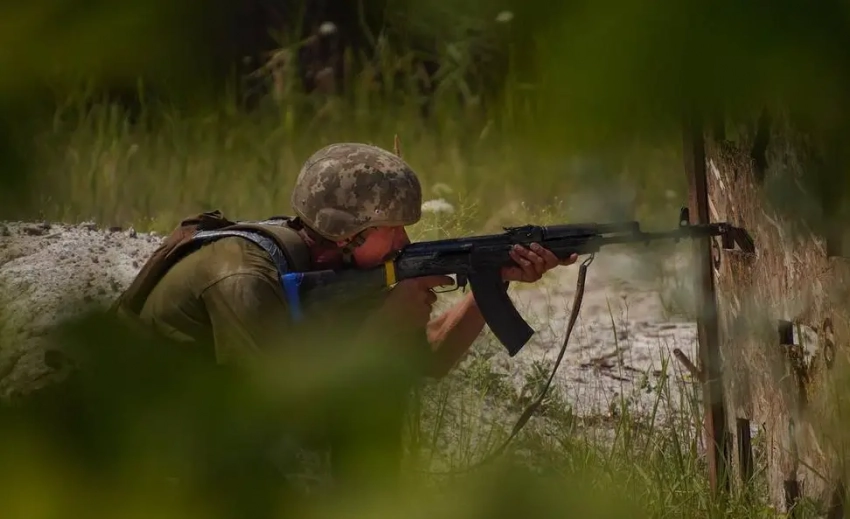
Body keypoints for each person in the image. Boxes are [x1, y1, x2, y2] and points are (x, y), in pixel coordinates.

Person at [113, 141, 578, 496]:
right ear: (346, 232)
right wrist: (383, 324)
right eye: (391, 229)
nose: (403, 241)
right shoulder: (241, 276)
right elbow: (270, 414)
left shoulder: (336, 271)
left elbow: (429, 359)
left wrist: (492, 280)